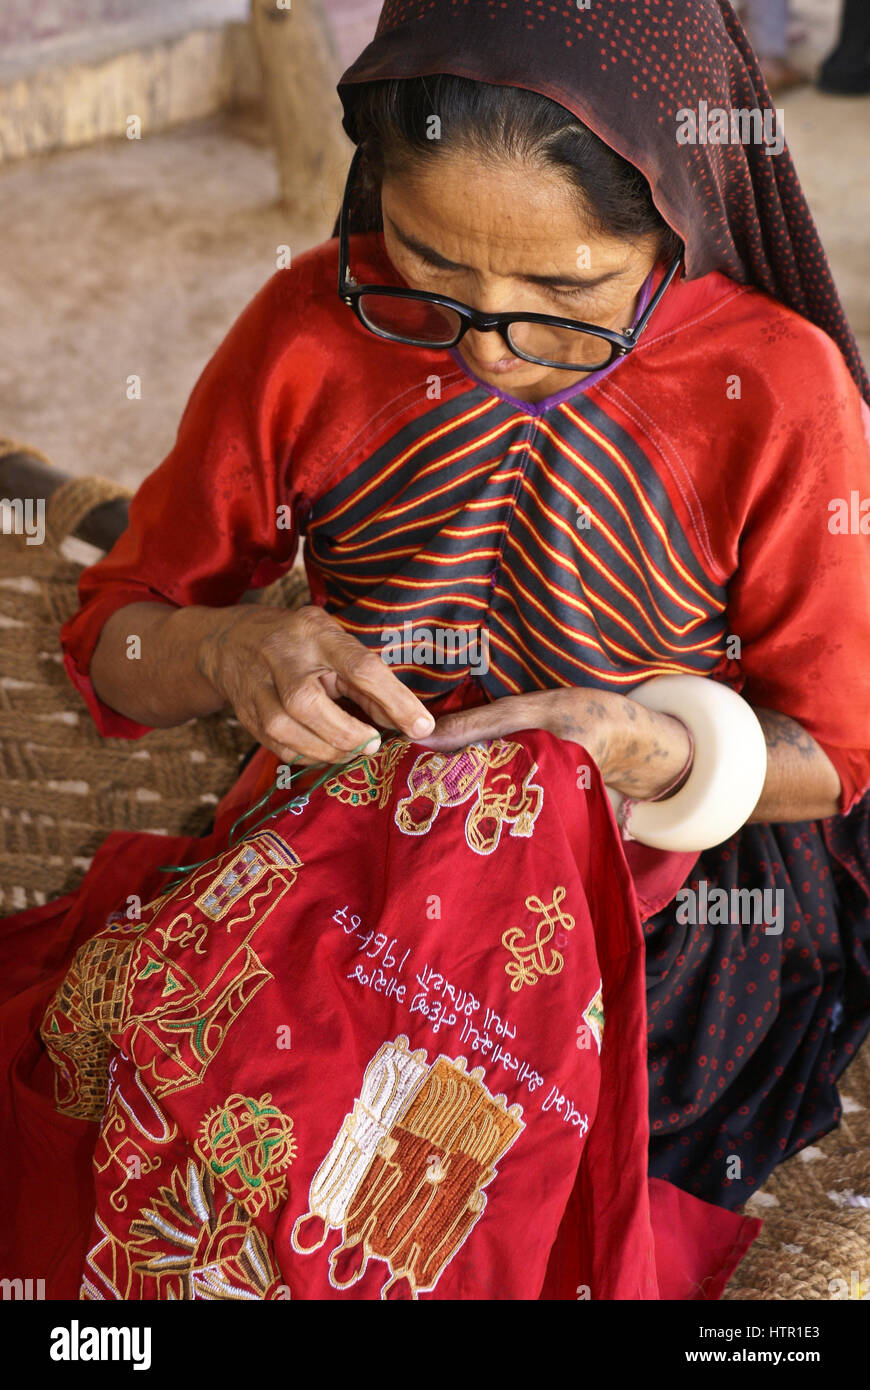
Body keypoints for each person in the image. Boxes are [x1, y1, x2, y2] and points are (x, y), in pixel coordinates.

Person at [1, 0, 869, 1300]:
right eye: (425, 268)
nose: (482, 347)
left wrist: (652, 745)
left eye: (565, 293)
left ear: (678, 221)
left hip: (655, 910)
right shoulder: (306, 331)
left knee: (476, 1199)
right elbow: (114, 646)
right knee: (181, 1162)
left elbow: (835, 755)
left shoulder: (775, 392)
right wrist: (231, 647)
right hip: (351, 848)